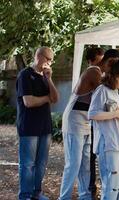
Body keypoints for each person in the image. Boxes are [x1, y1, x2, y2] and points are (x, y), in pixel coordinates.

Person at [59, 48, 119, 200]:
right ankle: (64, 197)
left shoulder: (101, 73)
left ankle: (85, 196)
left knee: (86, 164)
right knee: (73, 164)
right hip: (74, 121)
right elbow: (107, 90)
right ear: (109, 62)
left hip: (86, 122)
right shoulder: (94, 72)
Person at [16, 46, 59, 200]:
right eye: (47, 59)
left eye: (51, 60)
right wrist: (47, 99)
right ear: (38, 56)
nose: (49, 63)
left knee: (41, 164)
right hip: (28, 127)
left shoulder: (45, 76)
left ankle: (36, 193)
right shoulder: (25, 75)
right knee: (27, 165)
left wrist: (49, 79)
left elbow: (55, 98)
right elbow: (29, 102)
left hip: (45, 127)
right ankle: (25, 195)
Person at [88, 59, 119, 200]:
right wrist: (116, 113)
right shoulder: (101, 91)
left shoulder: (114, 92)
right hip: (108, 144)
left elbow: (114, 118)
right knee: (112, 185)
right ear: (116, 76)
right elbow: (92, 114)